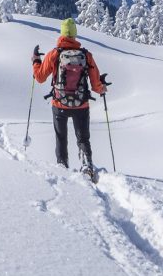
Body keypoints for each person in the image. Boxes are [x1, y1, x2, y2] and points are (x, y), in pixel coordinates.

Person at [32, 17, 107, 176]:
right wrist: (102, 87)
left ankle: (62, 167)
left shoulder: (55, 54)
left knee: (61, 138)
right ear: (74, 34)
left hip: (59, 104)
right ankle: (87, 164)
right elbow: (95, 85)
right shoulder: (86, 55)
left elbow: (39, 77)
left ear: (62, 33)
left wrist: (36, 61)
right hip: (81, 105)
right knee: (83, 138)